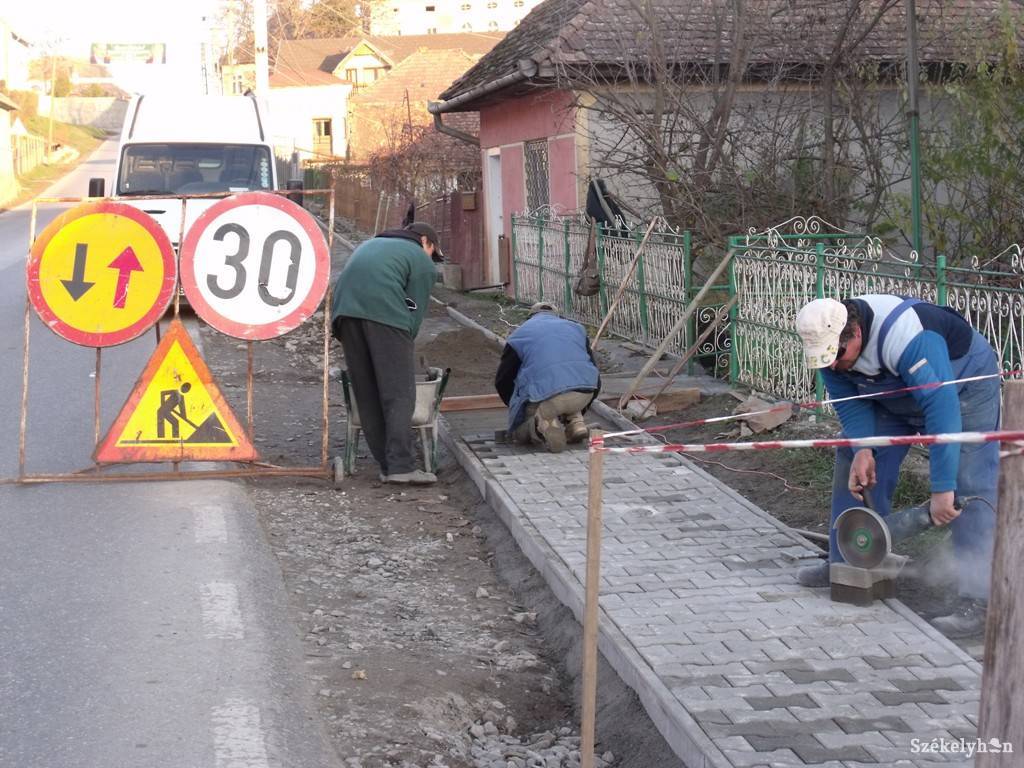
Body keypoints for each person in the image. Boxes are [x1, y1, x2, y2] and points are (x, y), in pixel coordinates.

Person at [795, 295, 1000, 637]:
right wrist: (863, 448)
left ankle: (980, 600)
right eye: (825, 360)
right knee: (853, 459)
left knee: (969, 481)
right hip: (894, 395)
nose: (832, 366)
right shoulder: (831, 350)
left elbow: (942, 410)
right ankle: (846, 559)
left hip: (962, 388)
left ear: (855, 332)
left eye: (838, 356)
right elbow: (849, 402)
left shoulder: (907, 335)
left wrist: (941, 489)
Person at [331, 222, 441, 484]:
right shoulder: (420, 260)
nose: (432, 260)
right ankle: (401, 467)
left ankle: (388, 464)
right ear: (425, 241)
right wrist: (404, 343)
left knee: (367, 392)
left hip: (345, 317)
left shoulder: (369, 245)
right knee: (399, 393)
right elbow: (414, 310)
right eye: (433, 252)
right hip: (385, 318)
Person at [495, 302, 601, 452]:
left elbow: (503, 380)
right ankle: (576, 423)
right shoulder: (576, 328)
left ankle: (541, 424)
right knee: (569, 389)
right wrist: (585, 403)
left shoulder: (519, 335)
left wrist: (516, 407)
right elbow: (593, 370)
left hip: (547, 395)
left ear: (530, 317)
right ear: (557, 316)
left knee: (520, 434)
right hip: (585, 392)